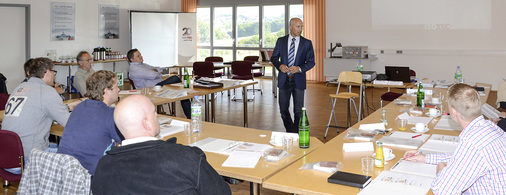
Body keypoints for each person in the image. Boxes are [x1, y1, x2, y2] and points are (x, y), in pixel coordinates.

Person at [91, 95, 231, 194]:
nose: (157, 115)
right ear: (146, 124)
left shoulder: (103, 166)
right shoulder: (185, 157)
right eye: (154, 113)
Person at [404, 83, 506, 194]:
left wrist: (441, 172)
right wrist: (426, 158)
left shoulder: (473, 141)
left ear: (453, 112)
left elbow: (443, 191)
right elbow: (462, 157)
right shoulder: (490, 128)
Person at [2, 58, 81, 156]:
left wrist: (67, 107)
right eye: (53, 72)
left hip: (7, 155)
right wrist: (83, 111)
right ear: (47, 72)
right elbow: (70, 123)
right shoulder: (46, 91)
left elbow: (37, 109)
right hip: (28, 156)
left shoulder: (19, 88)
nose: (54, 76)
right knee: (77, 154)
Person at [57, 70, 123, 175]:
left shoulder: (79, 107)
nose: (119, 90)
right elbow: (127, 139)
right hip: (89, 175)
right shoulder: (110, 114)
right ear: (106, 91)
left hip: (65, 170)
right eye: (116, 87)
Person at [270, 17, 315, 133]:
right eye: (298, 26)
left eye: (301, 27)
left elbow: (311, 62)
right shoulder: (281, 41)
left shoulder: (307, 43)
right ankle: (291, 132)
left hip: (298, 81)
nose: (300, 29)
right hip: (284, 80)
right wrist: (280, 66)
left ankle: (295, 134)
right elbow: (274, 58)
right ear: (290, 27)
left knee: (298, 112)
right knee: (283, 110)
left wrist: (299, 68)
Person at [127, 49, 191, 119]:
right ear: (132, 59)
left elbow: (158, 69)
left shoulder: (143, 65)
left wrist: (155, 71)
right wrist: (155, 72)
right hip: (150, 90)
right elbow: (153, 75)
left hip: (157, 86)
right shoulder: (134, 68)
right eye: (138, 56)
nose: (141, 57)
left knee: (182, 91)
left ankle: (189, 114)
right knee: (176, 79)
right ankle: (189, 115)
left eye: (140, 54)